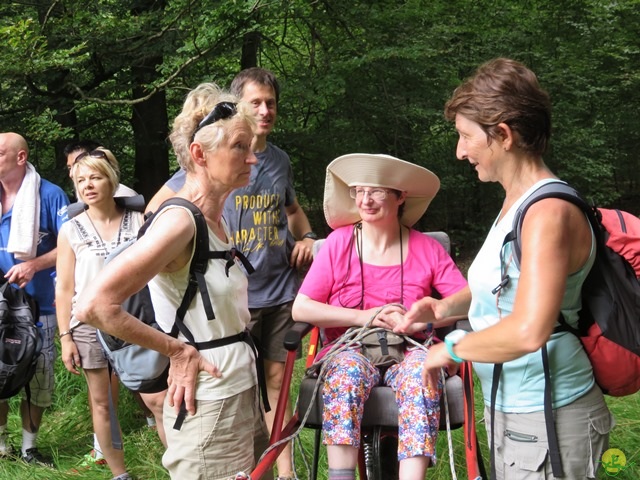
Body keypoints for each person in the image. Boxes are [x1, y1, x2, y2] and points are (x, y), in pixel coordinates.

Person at [397, 58, 614, 479]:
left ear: (503, 135)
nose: (460, 151)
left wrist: (448, 349)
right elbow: (508, 285)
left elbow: (529, 329)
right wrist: (445, 309)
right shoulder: (517, 202)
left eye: (465, 136)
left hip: (548, 412)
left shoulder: (547, 212)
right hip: (514, 407)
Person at [75, 83, 265, 479]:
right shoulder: (179, 220)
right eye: (239, 147)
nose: (252, 157)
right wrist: (178, 352)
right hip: (208, 401)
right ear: (200, 154)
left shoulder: (217, 218)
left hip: (238, 388)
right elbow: (94, 305)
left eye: (252, 147)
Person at [146, 67, 314, 480]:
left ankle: (283, 470)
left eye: (270, 102)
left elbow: (292, 211)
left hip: (267, 309)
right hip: (217, 343)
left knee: (271, 389)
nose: (264, 110)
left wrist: (308, 236)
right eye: (255, 102)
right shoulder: (192, 200)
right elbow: (100, 299)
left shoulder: (272, 169)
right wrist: (177, 347)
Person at [292, 153, 467, 480]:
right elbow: (301, 309)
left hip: (412, 345)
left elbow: (466, 302)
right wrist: (365, 316)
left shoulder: (426, 248)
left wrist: (423, 321)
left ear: (401, 196)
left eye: (377, 191)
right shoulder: (337, 244)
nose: (365, 200)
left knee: (421, 372)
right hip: (350, 347)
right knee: (344, 374)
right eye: (359, 191)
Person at [56, 148, 164, 480]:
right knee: (102, 403)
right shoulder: (70, 230)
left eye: (96, 177)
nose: (88, 185)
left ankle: (180, 463)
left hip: (136, 319)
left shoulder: (140, 221)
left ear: (111, 180)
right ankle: (120, 473)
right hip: (88, 325)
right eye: (81, 180)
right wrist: (65, 337)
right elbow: (64, 288)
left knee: (157, 398)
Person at [0, 132, 70, 466]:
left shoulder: (50, 194)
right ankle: (1, 445)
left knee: (39, 376)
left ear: (20, 157)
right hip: (1, 304)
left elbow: (72, 245)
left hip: (40, 304)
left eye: (0, 153)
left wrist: (35, 264)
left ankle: (29, 448)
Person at [64, 140, 137, 197]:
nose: (71, 174)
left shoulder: (125, 197)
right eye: (70, 168)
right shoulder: (86, 197)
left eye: (78, 164)